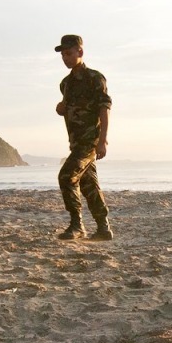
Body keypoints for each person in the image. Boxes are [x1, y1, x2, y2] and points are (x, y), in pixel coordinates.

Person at [54, 34, 112, 240]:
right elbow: (71, 108)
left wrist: (103, 140)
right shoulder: (66, 83)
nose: (65, 58)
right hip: (75, 142)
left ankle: (77, 225)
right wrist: (62, 109)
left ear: (80, 51)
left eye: (68, 53)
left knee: (66, 176)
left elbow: (104, 108)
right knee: (89, 185)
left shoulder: (94, 78)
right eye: (62, 55)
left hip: (89, 142)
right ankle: (103, 228)